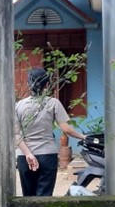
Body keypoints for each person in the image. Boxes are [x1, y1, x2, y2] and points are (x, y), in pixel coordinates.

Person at [15, 68, 85, 196]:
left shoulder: (19, 105)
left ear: (28, 84)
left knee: (28, 198)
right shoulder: (53, 103)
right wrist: (83, 137)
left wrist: (28, 154)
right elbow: (66, 129)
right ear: (47, 84)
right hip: (47, 155)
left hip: (24, 157)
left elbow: (15, 135)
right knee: (45, 197)